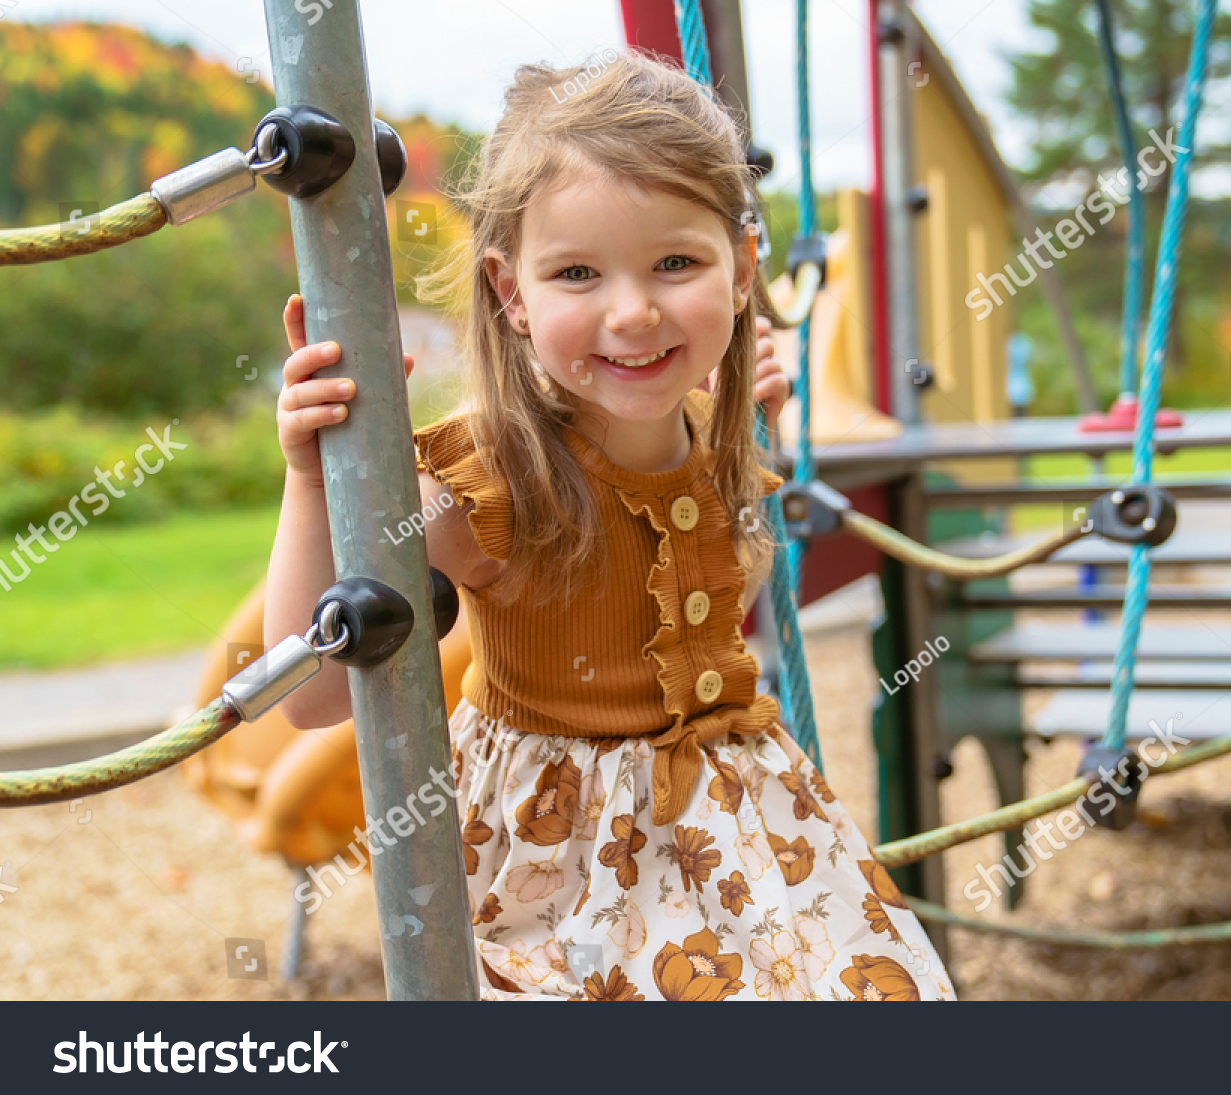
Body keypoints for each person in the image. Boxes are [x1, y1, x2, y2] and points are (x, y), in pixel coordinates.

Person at [264, 50, 953, 1002]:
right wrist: (313, 479)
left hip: (744, 821)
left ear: (743, 266)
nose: (633, 313)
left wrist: (762, 436)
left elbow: (725, 577)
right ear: (512, 292)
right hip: (566, 860)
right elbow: (310, 696)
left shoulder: (729, 434)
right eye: (577, 273)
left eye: (676, 262)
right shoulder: (490, 480)